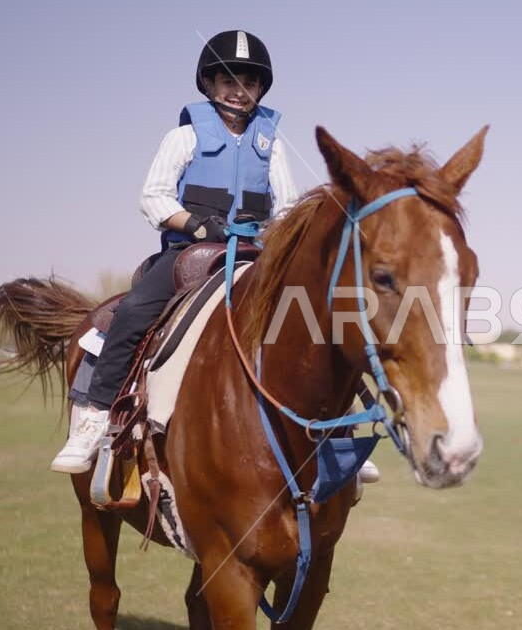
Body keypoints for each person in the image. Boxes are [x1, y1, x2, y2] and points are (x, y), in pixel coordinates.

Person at [50, 30, 381, 484]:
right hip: (192, 253)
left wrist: (277, 235)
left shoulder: (273, 144)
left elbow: (286, 207)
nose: (237, 89)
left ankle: (334, 430)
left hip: (256, 254)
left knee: (317, 317)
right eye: (226, 79)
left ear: (260, 88)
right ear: (207, 85)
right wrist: (196, 225)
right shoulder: (184, 136)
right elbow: (154, 197)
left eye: (247, 80)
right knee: (131, 313)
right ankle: (92, 420)